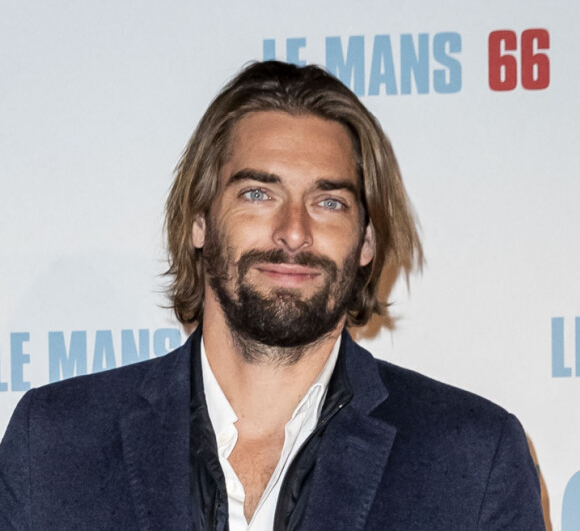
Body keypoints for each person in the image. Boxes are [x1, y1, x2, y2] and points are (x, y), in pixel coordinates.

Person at [0, 61, 545, 530]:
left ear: (367, 242)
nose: (293, 232)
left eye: (329, 202)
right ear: (199, 221)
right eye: (259, 194)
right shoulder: (53, 444)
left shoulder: (472, 459)